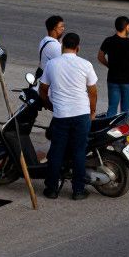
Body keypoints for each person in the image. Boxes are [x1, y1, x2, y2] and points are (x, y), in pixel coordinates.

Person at [39, 34, 97, 201]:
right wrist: (92, 111)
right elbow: (93, 92)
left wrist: (49, 105)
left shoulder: (52, 64)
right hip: (81, 114)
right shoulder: (85, 64)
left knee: (56, 151)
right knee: (79, 152)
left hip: (61, 115)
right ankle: (78, 191)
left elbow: (43, 89)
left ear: (62, 46)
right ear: (78, 48)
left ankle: (52, 189)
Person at [37, 15, 65, 81]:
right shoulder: (54, 46)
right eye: (61, 26)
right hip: (51, 82)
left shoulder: (44, 40)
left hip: (44, 78)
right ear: (55, 28)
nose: (63, 29)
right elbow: (65, 65)